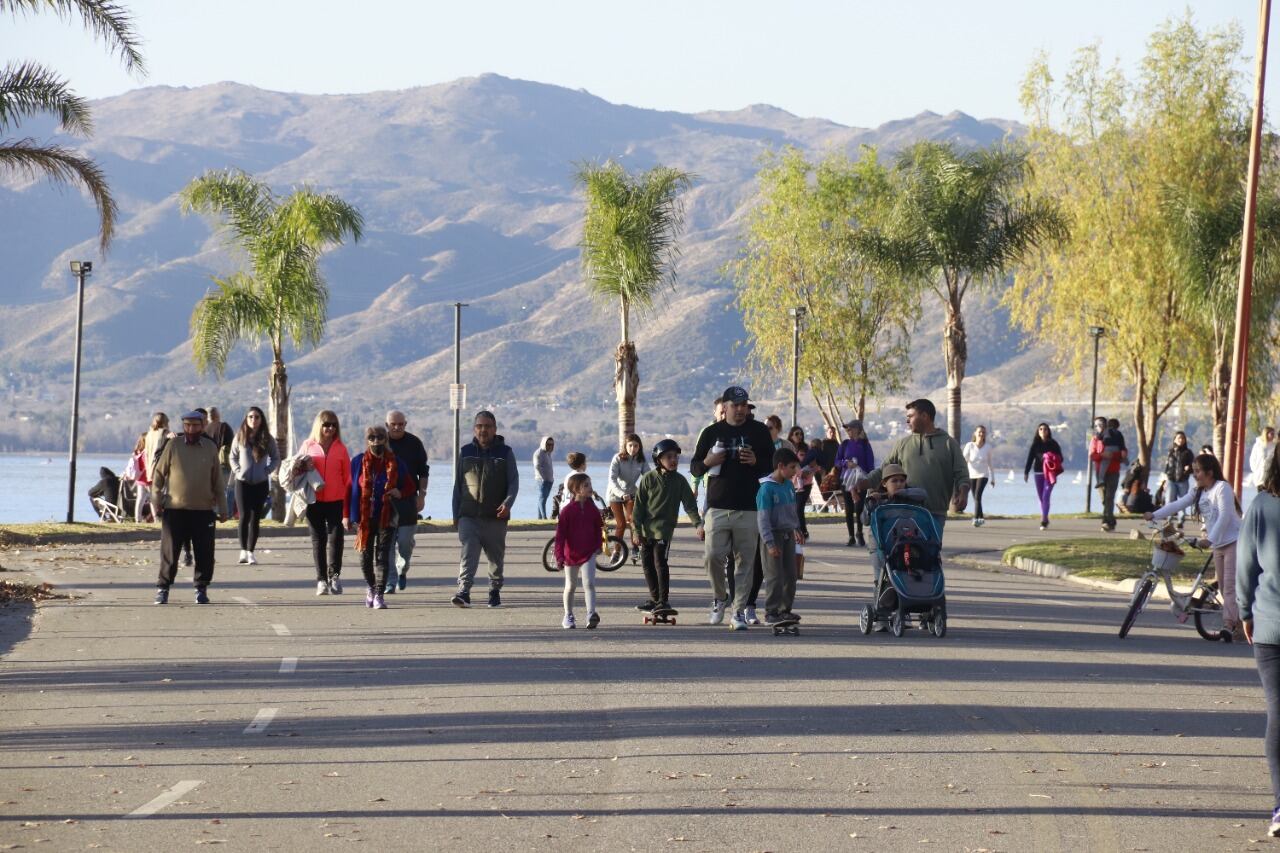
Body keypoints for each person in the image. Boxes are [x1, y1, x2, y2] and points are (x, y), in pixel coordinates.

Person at [689, 385, 775, 627]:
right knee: (712, 556)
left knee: (745, 563)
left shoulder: (759, 431)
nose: (740, 410)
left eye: (744, 405)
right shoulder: (711, 432)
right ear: (724, 407)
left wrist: (757, 461)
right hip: (718, 506)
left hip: (749, 506)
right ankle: (719, 597)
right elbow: (695, 467)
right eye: (735, 405)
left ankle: (737, 612)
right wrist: (709, 461)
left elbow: (772, 466)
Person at [1146, 452, 1243, 639]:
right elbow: (1178, 504)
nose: (1195, 475)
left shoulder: (1222, 488)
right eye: (1194, 472)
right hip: (1218, 545)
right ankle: (1238, 622)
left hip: (1234, 541)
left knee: (1229, 587)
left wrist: (1210, 539)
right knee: (1223, 587)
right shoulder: (1198, 491)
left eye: (1198, 471)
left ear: (1210, 472)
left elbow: (1224, 516)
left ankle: (1228, 626)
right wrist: (1155, 514)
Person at [1237, 447, 1280, 838]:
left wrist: (1244, 612)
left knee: (1277, 714)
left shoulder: (1261, 506)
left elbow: (1246, 564)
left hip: (1271, 626)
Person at [859, 399, 969, 537]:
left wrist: (963, 493)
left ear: (924, 416)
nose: (907, 421)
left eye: (910, 416)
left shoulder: (948, 443)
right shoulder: (902, 444)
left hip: (935, 512)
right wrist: (864, 482)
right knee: (905, 553)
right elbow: (884, 470)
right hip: (906, 510)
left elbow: (962, 473)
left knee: (931, 553)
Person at [150, 410, 227, 605]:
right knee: (170, 552)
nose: (191, 429)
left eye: (195, 425)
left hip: (203, 510)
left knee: (204, 552)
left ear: (202, 426)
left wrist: (223, 508)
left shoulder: (210, 447)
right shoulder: (174, 445)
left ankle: (201, 588)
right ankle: (163, 588)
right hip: (175, 509)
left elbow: (218, 480)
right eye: (187, 425)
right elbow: (158, 474)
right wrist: (156, 500)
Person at [451, 410, 518, 608]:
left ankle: (494, 590)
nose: (483, 430)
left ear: (494, 429)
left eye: (487, 426)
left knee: (495, 557)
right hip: (468, 515)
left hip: (495, 516)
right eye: (479, 426)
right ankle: (464, 591)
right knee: (469, 551)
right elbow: (458, 485)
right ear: (474, 429)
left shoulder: (505, 453)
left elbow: (513, 483)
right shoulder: (465, 451)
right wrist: (456, 514)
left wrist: (507, 504)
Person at [631, 438, 703, 614]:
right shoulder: (648, 479)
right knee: (647, 564)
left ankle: (664, 601)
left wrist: (698, 524)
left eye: (675, 457)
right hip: (646, 530)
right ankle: (655, 600)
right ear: (658, 460)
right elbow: (638, 508)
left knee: (659, 563)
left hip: (664, 529)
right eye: (669, 457)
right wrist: (636, 531)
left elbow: (690, 506)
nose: (673, 460)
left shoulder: (680, 481)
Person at [347, 425, 406, 610]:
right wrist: (346, 515)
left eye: (380, 437)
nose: (376, 441)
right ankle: (371, 588)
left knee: (382, 556)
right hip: (364, 518)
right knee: (365, 558)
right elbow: (349, 489)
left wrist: (399, 491)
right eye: (371, 438)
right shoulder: (357, 462)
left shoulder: (395, 462)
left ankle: (379, 594)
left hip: (386, 516)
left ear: (385, 439)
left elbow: (410, 486)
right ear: (367, 440)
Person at [297, 410, 351, 596]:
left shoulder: (341, 448)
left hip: (336, 500)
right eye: (326, 424)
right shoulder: (307, 445)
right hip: (313, 500)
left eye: (334, 425)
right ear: (319, 425)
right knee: (318, 540)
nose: (330, 428)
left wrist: (347, 505)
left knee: (337, 539)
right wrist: (303, 466)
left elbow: (347, 478)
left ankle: (334, 576)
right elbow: (295, 470)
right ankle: (321, 580)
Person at [757, 447, 804, 627]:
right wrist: (769, 543)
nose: (795, 471)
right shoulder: (767, 489)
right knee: (774, 576)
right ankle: (771, 612)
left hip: (788, 535)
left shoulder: (788, 485)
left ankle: (785, 610)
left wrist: (796, 528)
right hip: (773, 536)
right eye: (792, 467)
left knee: (791, 575)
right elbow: (763, 519)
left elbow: (792, 511)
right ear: (780, 466)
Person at [384, 410, 429, 593]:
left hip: (408, 501)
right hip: (386, 503)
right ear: (387, 425)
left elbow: (423, 471)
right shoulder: (381, 442)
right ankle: (390, 581)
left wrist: (422, 495)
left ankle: (402, 570)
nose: (397, 427)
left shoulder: (414, 443)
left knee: (404, 543)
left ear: (405, 424)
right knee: (386, 544)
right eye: (393, 424)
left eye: (400, 424)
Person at [554, 472, 604, 629]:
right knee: (571, 585)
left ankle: (591, 613)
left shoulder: (593, 509)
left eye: (590, 484)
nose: (590, 488)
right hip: (571, 554)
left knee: (589, 583)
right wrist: (559, 556)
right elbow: (560, 536)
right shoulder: (567, 511)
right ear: (576, 490)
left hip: (588, 552)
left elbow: (599, 527)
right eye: (586, 485)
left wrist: (598, 545)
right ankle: (568, 615)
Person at [229, 406, 277, 565]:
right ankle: (242, 550)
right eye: (250, 417)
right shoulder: (240, 437)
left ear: (261, 419)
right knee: (244, 516)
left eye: (257, 417)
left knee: (256, 518)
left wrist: (268, 470)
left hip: (260, 483)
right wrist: (237, 471)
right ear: (246, 419)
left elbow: (276, 458)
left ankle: (250, 552)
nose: (253, 420)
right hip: (242, 483)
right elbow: (232, 457)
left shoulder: (267, 439)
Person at [835, 420, 875, 546]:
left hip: (861, 480)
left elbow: (870, 464)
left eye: (850, 428)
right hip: (846, 479)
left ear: (858, 429)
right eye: (847, 429)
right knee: (849, 507)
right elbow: (837, 461)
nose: (848, 431)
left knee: (859, 506)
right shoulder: (844, 444)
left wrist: (871, 479)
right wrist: (845, 464)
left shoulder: (865, 445)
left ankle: (859, 532)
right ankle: (851, 536)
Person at [607, 434, 649, 543]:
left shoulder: (641, 460)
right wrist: (621, 494)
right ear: (625, 445)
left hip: (631, 493)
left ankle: (635, 548)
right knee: (621, 524)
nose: (633, 449)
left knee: (633, 520)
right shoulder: (618, 458)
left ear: (639, 447)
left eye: (636, 446)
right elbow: (612, 479)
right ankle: (616, 550)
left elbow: (649, 477)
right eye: (630, 445)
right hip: (615, 495)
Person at [1024, 423, 1063, 531]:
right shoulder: (1035, 444)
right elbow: (1030, 458)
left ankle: (1044, 520)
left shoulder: (1053, 443)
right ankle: (1045, 516)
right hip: (1038, 473)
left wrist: (1051, 457)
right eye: (1040, 429)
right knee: (1041, 498)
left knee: (1046, 496)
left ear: (1048, 431)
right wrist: (1026, 472)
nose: (1043, 431)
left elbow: (1061, 458)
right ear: (1038, 431)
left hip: (1050, 473)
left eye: (1045, 429)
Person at [1090, 416, 1126, 532]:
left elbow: (1122, 452)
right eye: (1096, 426)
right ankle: (1111, 519)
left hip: (1113, 472)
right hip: (1100, 473)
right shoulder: (1095, 439)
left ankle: (1106, 522)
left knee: (1110, 497)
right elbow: (1092, 455)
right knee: (1104, 499)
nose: (1098, 427)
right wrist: (1101, 455)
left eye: (1100, 425)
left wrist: (1114, 455)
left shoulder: (1115, 437)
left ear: (1106, 425)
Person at [206, 406, 235, 518]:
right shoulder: (224, 427)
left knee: (212, 491)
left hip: (208, 465)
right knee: (227, 490)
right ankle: (226, 514)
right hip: (223, 464)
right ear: (217, 415)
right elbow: (231, 447)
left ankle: (212, 513)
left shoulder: (203, 429)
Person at [963, 425, 995, 527]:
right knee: (976, 498)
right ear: (975, 433)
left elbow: (990, 464)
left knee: (977, 496)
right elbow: (964, 460)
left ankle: (976, 518)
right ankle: (981, 517)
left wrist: (993, 478)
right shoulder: (969, 446)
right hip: (971, 475)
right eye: (979, 432)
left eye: (983, 432)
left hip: (983, 475)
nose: (981, 434)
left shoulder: (988, 447)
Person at [1163, 431, 1195, 524]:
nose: (1181, 440)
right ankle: (1169, 519)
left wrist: (1188, 468)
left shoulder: (1188, 453)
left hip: (1183, 480)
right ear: (1175, 440)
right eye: (1179, 438)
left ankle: (1181, 520)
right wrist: (1165, 480)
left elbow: (1193, 466)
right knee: (1169, 500)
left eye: (1183, 438)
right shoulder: (1170, 452)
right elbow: (1167, 466)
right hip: (1171, 479)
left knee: (1182, 500)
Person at [533, 436, 556, 519]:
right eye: (548, 444)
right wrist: (543, 478)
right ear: (544, 443)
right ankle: (544, 517)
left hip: (549, 480)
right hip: (542, 480)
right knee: (542, 499)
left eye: (552, 444)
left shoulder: (548, 453)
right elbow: (537, 466)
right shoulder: (538, 453)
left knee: (543, 499)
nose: (550, 446)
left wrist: (551, 478)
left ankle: (539, 519)